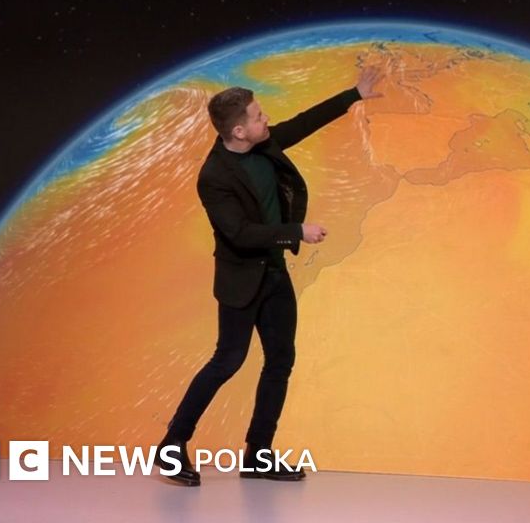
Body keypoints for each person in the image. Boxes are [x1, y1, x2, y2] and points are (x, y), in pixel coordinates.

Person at [157, 66, 385, 485]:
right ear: (238, 131)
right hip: (241, 281)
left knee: (281, 360)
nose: (266, 120)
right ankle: (173, 442)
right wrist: (295, 232)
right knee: (228, 360)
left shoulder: (262, 144)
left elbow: (303, 123)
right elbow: (240, 234)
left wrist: (354, 93)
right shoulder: (214, 177)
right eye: (258, 116)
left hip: (275, 275)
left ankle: (258, 454)